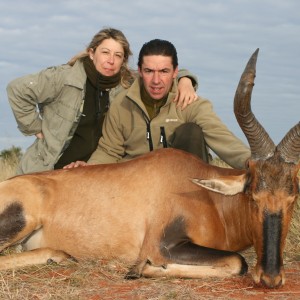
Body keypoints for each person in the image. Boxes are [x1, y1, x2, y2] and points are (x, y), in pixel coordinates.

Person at [7, 28, 199, 175]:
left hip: (95, 169)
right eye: (105, 52)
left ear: (124, 60)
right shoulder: (63, 77)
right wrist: (34, 127)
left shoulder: (127, 83)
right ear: (92, 53)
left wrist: (185, 80)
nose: (111, 60)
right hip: (48, 168)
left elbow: (158, 73)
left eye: (118, 55)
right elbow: (17, 89)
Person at [66, 39, 250, 170]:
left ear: (175, 72)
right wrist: (88, 170)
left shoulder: (190, 102)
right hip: (136, 183)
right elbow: (109, 150)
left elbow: (221, 137)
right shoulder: (121, 104)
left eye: (163, 71)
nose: (156, 80)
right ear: (139, 71)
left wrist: (254, 165)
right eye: (149, 71)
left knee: (191, 131)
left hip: (181, 184)